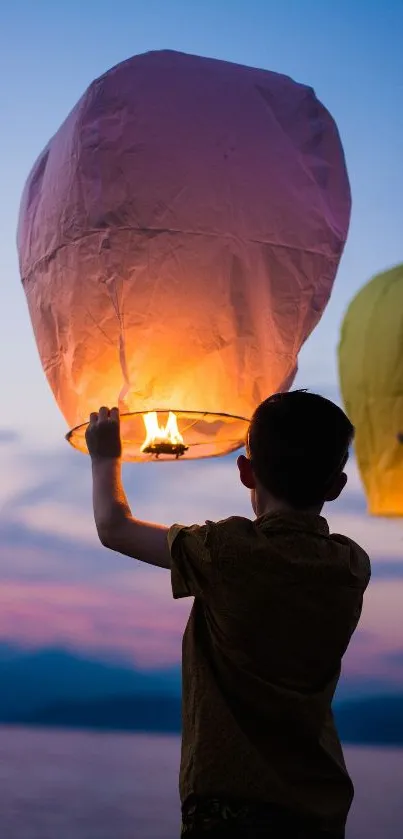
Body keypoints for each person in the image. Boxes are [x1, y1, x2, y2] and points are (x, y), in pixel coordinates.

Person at [86, 390, 371, 839]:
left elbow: (114, 528)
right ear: (337, 485)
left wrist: (104, 459)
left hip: (228, 809)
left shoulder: (226, 552)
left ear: (245, 471)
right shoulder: (351, 566)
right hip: (318, 811)